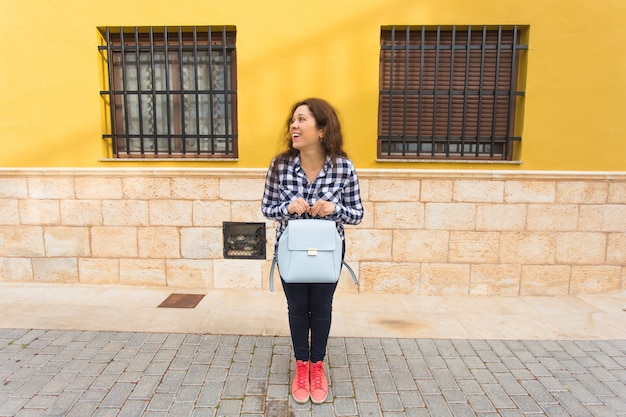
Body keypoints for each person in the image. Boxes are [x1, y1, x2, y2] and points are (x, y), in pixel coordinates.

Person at [261, 98, 364, 404]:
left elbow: (357, 214)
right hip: (290, 251)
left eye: (302, 120)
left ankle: (317, 366)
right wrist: (287, 207)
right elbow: (267, 208)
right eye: (293, 120)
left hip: (327, 252)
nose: (294, 126)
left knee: (321, 308)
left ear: (322, 129)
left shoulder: (343, 168)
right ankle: (301, 365)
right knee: (296, 309)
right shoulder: (280, 166)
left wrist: (334, 208)